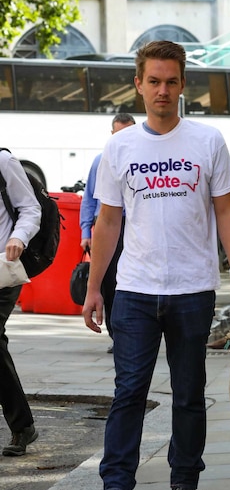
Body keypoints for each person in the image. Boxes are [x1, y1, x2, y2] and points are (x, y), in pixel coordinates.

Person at [82, 40, 230, 490]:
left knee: (188, 394)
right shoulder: (119, 147)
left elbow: (226, 210)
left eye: (171, 81)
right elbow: (108, 223)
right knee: (129, 391)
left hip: (192, 288)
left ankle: (185, 484)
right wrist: (96, 289)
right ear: (138, 84)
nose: (162, 90)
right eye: (153, 81)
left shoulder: (207, 142)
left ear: (183, 85)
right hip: (134, 291)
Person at [79, 113, 136, 353]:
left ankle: (134, 332)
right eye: (118, 133)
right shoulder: (101, 161)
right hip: (108, 227)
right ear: (111, 135)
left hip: (134, 227)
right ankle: (117, 335)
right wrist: (85, 232)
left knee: (133, 281)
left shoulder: (142, 160)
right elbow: (89, 199)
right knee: (110, 283)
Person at [0, 149, 41, 457]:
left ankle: (22, 426)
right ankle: (23, 426)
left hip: (3, 269)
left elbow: (30, 209)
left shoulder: (4, 161)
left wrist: (19, 237)